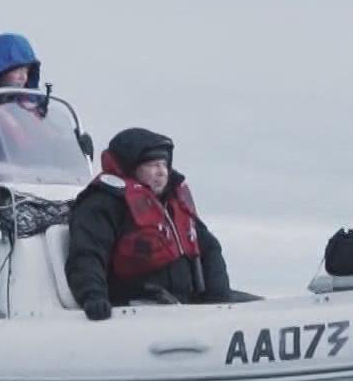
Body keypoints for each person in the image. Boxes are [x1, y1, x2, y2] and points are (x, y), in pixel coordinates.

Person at [65, 127, 231, 321]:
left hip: (185, 305)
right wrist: (93, 295)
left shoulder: (174, 203)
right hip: (136, 308)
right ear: (132, 167)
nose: (161, 172)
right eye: (153, 165)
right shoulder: (102, 203)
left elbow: (210, 248)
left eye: (164, 164)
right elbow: (87, 253)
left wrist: (219, 298)